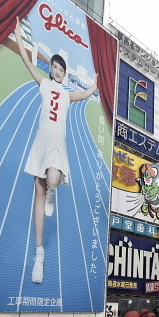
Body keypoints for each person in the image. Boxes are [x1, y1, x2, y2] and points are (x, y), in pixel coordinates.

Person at [14, 17, 98, 284]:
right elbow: (27, 62)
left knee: (52, 180)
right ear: (50, 69)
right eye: (54, 66)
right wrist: (17, 32)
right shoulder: (44, 84)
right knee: (36, 196)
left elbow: (86, 94)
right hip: (41, 145)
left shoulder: (67, 93)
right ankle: (39, 253)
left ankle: (52, 192)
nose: (57, 70)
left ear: (65, 71)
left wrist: (100, 81)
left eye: (61, 67)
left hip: (58, 147)